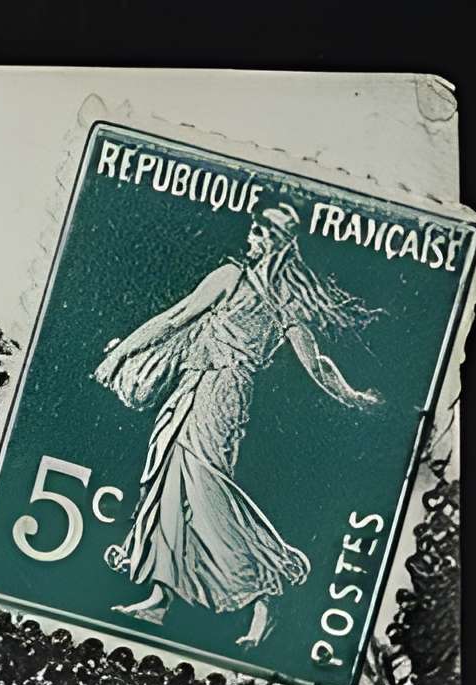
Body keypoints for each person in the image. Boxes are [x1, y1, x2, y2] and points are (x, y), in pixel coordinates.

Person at [91, 202, 383, 646]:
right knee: (172, 485)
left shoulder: (264, 294)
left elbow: (316, 363)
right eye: (252, 230)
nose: (250, 239)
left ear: (277, 244)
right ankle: (160, 597)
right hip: (195, 386)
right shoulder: (242, 283)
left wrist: (352, 396)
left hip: (220, 397)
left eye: (260, 233)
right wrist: (123, 353)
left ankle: (266, 588)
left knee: (205, 492)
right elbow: (175, 319)